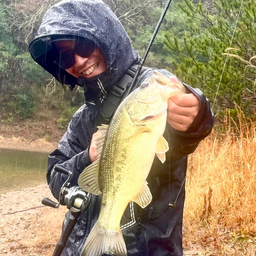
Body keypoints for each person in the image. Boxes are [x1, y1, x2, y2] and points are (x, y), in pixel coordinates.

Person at [29, 0, 214, 255]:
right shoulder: (83, 118)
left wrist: (197, 115)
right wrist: (86, 158)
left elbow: (184, 133)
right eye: (65, 57)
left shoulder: (149, 87)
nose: (80, 60)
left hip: (148, 248)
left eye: (84, 44)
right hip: (81, 244)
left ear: (105, 37)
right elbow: (55, 175)